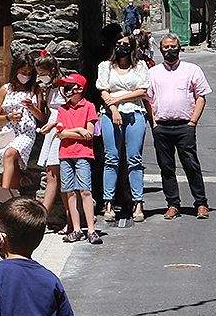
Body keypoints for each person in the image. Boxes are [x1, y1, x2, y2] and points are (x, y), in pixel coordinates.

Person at [145, 33, 212, 219]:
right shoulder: (152, 73)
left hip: (185, 126)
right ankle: (173, 204)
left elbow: (201, 97)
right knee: (166, 167)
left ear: (179, 47)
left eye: (173, 46)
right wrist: (154, 123)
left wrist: (193, 122)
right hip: (162, 127)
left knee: (191, 165)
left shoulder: (192, 70)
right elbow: (147, 99)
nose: (170, 50)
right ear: (160, 49)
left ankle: (201, 203)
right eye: (166, 47)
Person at [97, 35, 150, 223]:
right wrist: (113, 109)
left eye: (125, 44)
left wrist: (118, 99)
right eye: (118, 44)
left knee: (134, 159)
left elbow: (142, 91)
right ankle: (108, 203)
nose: (121, 47)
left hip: (134, 112)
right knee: (111, 158)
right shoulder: (105, 66)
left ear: (132, 47)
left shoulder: (140, 66)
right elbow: (103, 90)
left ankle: (138, 202)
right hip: (110, 113)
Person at [52, 74, 99, 243]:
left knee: (85, 190)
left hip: (83, 153)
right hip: (66, 154)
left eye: (69, 87)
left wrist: (68, 133)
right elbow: (60, 133)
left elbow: (90, 134)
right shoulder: (62, 109)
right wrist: (79, 130)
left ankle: (91, 230)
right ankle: (76, 229)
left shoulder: (89, 107)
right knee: (69, 192)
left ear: (79, 89)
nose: (65, 90)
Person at [0, 57, 42, 195]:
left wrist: (32, 107)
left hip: (27, 131)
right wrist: (9, 117)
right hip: (10, 131)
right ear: (16, 70)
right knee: (11, 162)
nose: (26, 76)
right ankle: (13, 197)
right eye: (23, 72)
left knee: (9, 154)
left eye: (29, 73)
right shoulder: (5, 89)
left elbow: (42, 117)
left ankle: (3, 195)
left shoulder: (35, 89)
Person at [31, 51, 65, 230]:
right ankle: (43, 216)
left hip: (60, 130)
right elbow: (47, 114)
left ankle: (43, 217)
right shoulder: (49, 88)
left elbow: (70, 111)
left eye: (42, 73)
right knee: (51, 173)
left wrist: (53, 125)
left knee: (55, 173)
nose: (40, 77)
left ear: (52, 70)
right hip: (51, 129)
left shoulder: (64, 87)